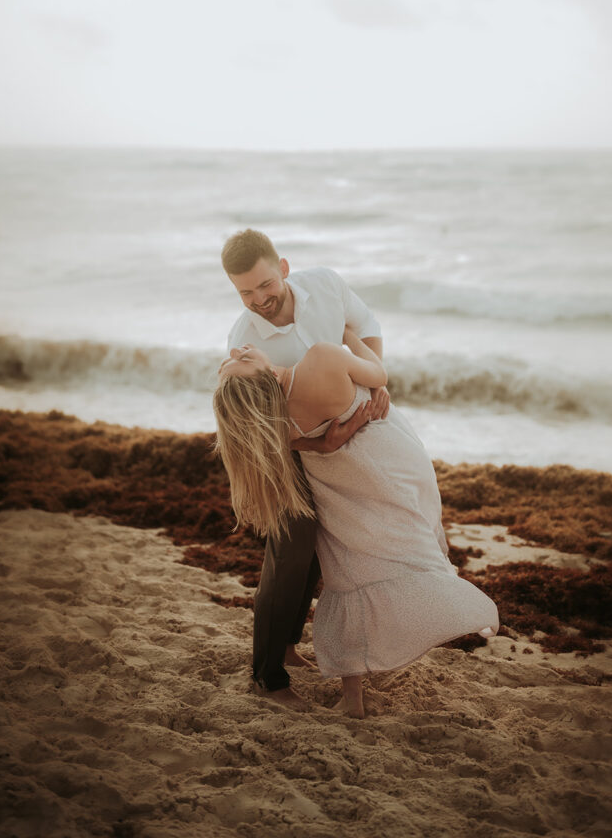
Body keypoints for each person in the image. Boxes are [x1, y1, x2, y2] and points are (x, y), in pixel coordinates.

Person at [213, 332, 500, 718]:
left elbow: (301, 442)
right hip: (386, 464)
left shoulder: (275, 418)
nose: (236, 350)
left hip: (344, 483)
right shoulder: (321, 359)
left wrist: (330, 441)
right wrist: (353, 338)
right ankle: (352, 684)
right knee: (374, 563)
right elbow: (378, 372)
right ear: (260, 378)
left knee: (350, 572)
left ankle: (352, 697)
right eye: (238, 362)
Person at [222, 229, 389, 708]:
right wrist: (315, 440)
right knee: (289, 554)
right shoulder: (244, 339)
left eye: (264, 285)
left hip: (342, 446)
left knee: (321, 547)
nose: (258, 299)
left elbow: (366, 322)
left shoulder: (327, 286)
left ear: (284, 268)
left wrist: (375, 380)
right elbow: (250, 427)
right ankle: (267, 676)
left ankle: (290, 645)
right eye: (245, 292)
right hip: (285, 452)